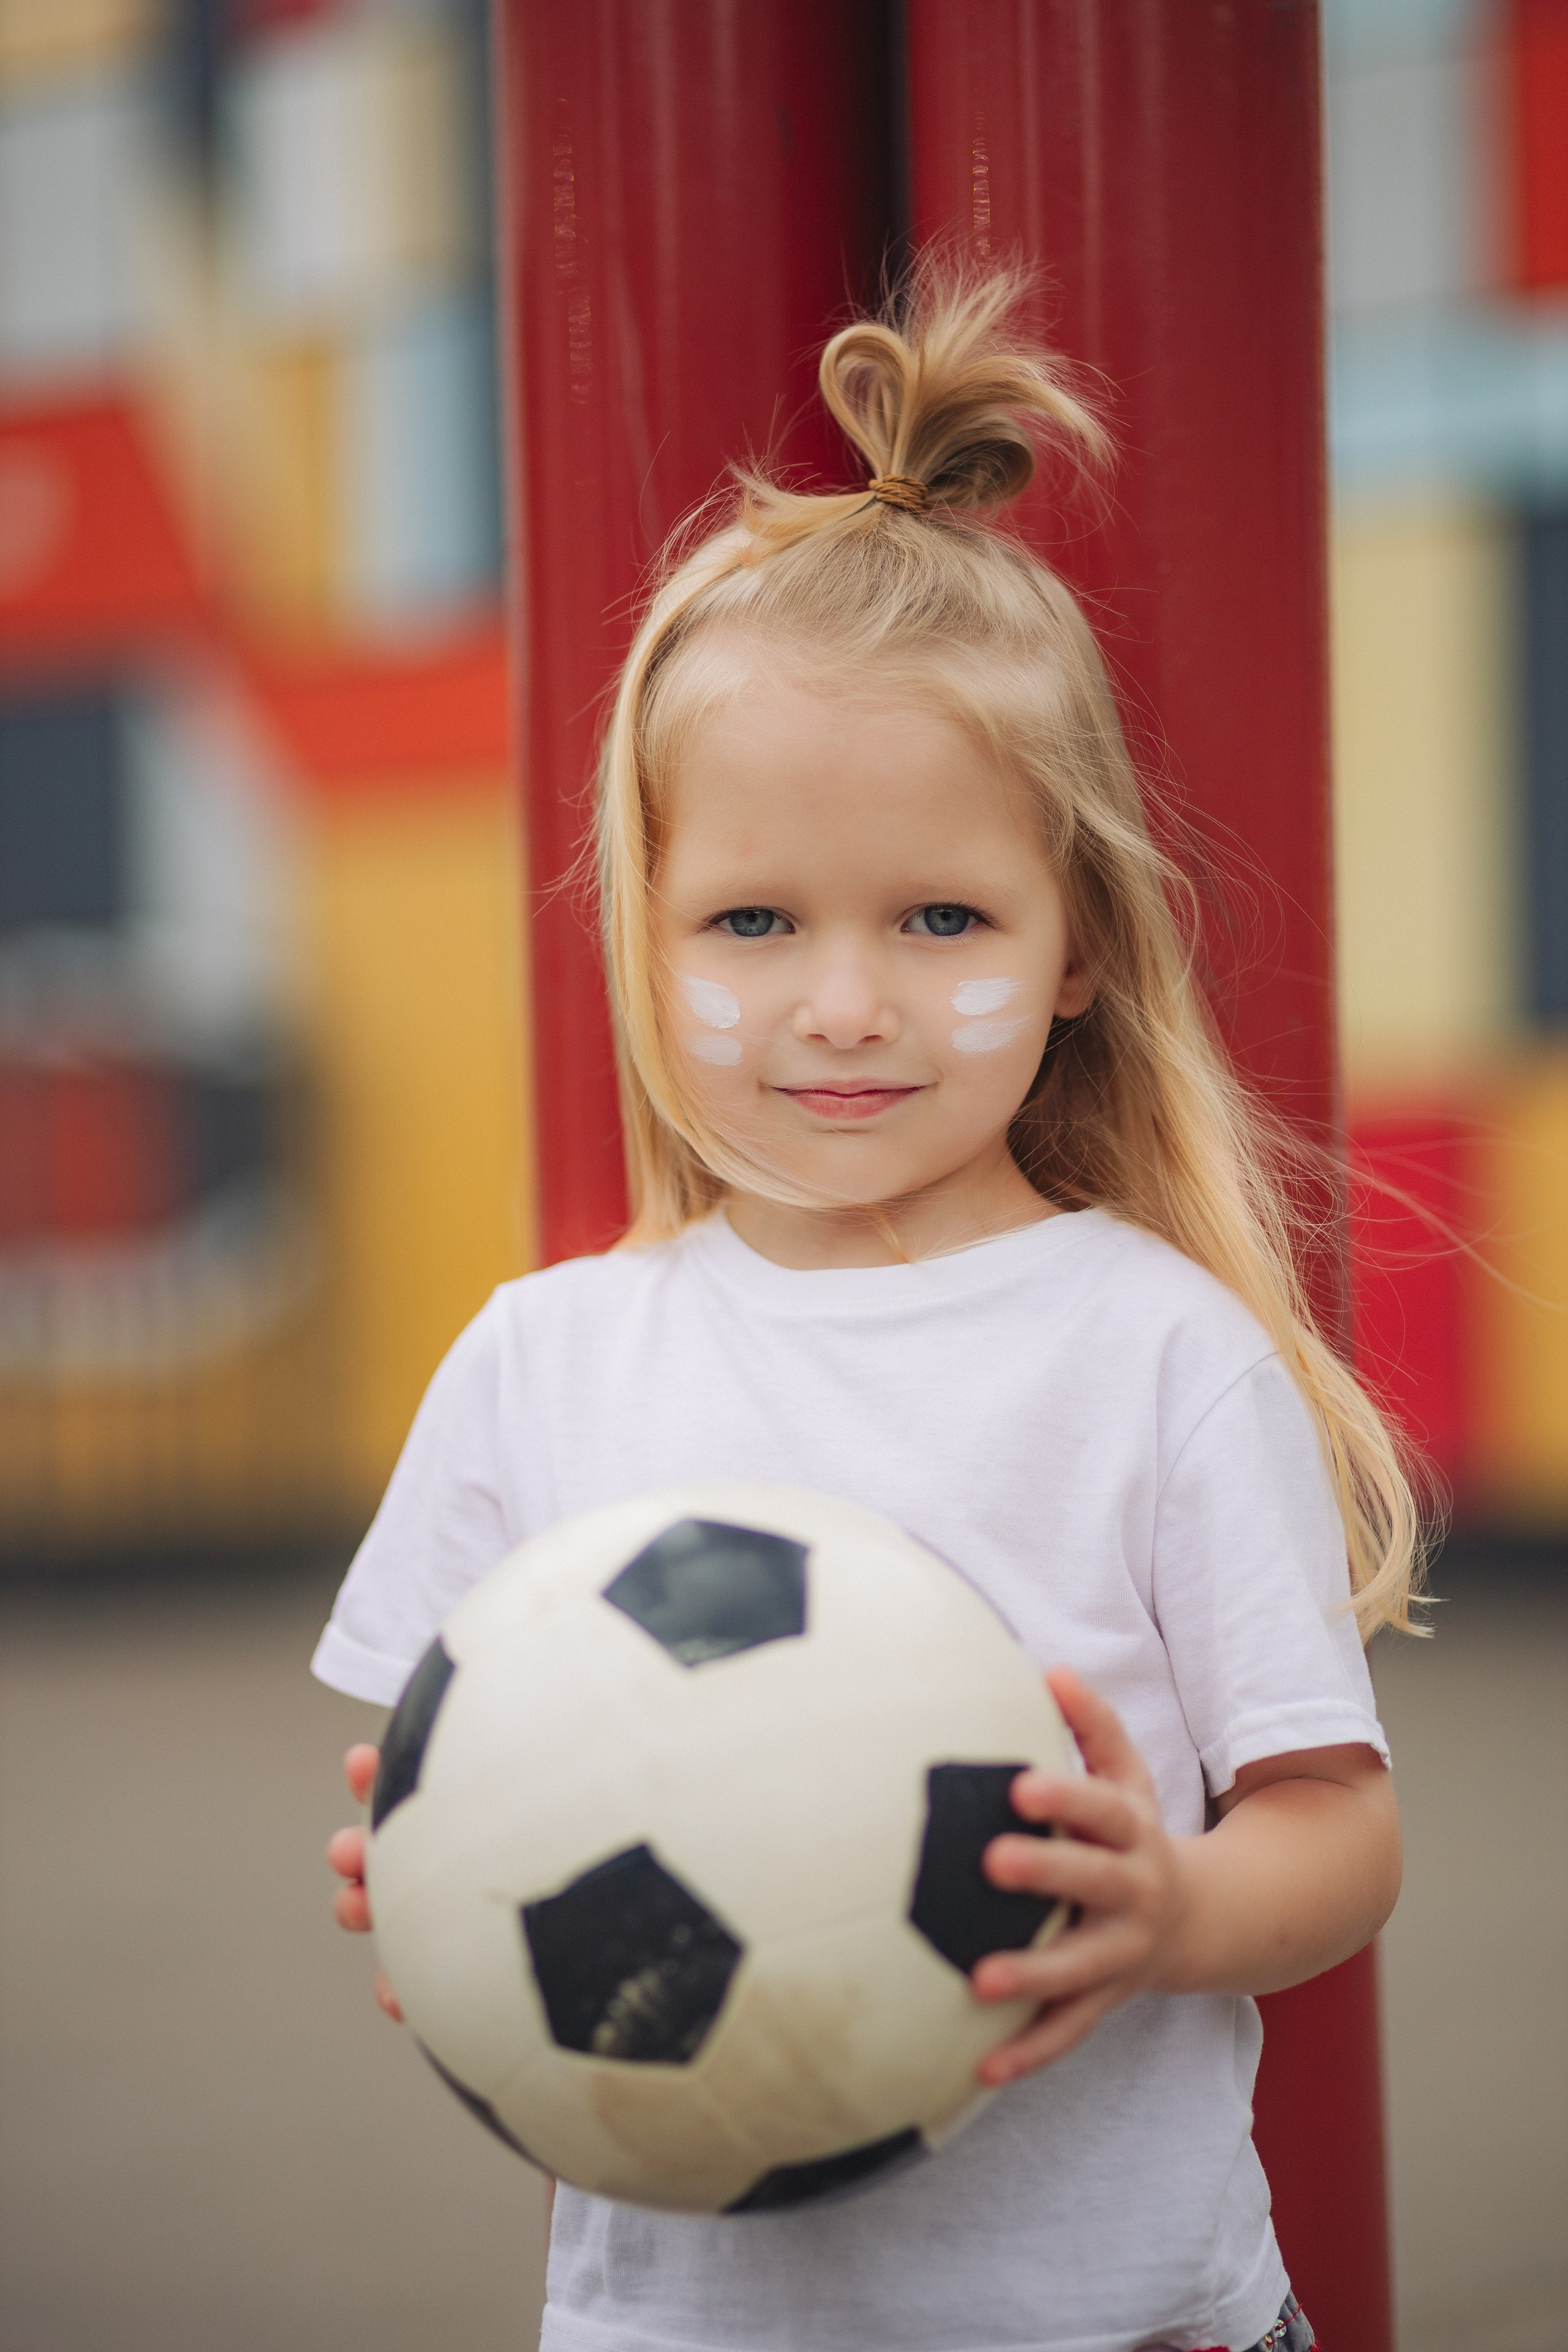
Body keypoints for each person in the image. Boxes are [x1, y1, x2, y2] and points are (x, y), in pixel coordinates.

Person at [314, 267, 1415, 2352]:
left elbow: (1336, 1831)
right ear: (639, 939)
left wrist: (1174, 1910)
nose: (843, 1004)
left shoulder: (1155, 1356)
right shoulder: (549, 1363)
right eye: (750, 919)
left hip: (1132, 2322)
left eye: (940, 918)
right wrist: (455, 1869)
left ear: (1077, 942)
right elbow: (463, 1781)